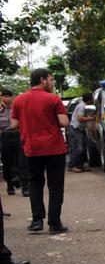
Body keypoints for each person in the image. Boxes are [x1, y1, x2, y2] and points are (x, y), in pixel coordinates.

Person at [10, 68, 69, 233]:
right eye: (51, 79)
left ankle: (37, 221)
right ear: (43, 80)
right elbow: (64, 122)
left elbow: (14, 124)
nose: (52, 82)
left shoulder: (19, 100)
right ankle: (54, 223)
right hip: (54, 148)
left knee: (35, 183)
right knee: (55, 186)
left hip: (32, 148)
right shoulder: (53, 98)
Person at [1, 88, 30, 196]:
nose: (6, 98)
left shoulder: (17, 107)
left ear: (12, 97)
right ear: (1, 97)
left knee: (23, 161)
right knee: (7, 161)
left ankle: (25, 187)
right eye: (4, 96)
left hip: (18, 134)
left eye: (9, 96)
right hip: (4, 136)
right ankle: (10, 184)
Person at [67, 91, 96, 172]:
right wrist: (91, 118)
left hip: (80, 128)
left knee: (83, 148)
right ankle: (72, 166)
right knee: (78, 148)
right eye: (93, 98)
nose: (94, 100)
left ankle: (80, 166)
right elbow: (80, 118)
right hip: (76, 128)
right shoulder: (82, 106)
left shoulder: (85, 106)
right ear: (89, 100)